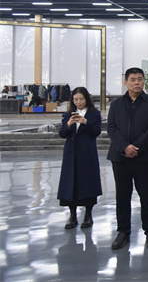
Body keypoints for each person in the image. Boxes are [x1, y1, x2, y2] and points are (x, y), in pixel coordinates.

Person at [107, 67, 148, 250]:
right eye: (132, 79)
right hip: (120, 157)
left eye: (139, 79)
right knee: (122, 196)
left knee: (147, 196)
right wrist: (125, 147)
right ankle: (123, 232)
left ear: (144, 81)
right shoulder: (116, 104)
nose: (136, 82)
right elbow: (111, 128)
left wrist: (136, 147)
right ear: (126, 82)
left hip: (145, 157)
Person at [57, 87, 102, 230]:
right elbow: (62, 134)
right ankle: (72, 215)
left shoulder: (94, 114)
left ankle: (88, 215)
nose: (78, 102)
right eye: (75, 99)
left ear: (86, 99)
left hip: (87, 153)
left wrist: (85, 122)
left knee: (88, 183)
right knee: (71, 183)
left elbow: (96, 132)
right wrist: (69, 124)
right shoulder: (68, 115)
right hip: (71, 154)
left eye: (81, 99)